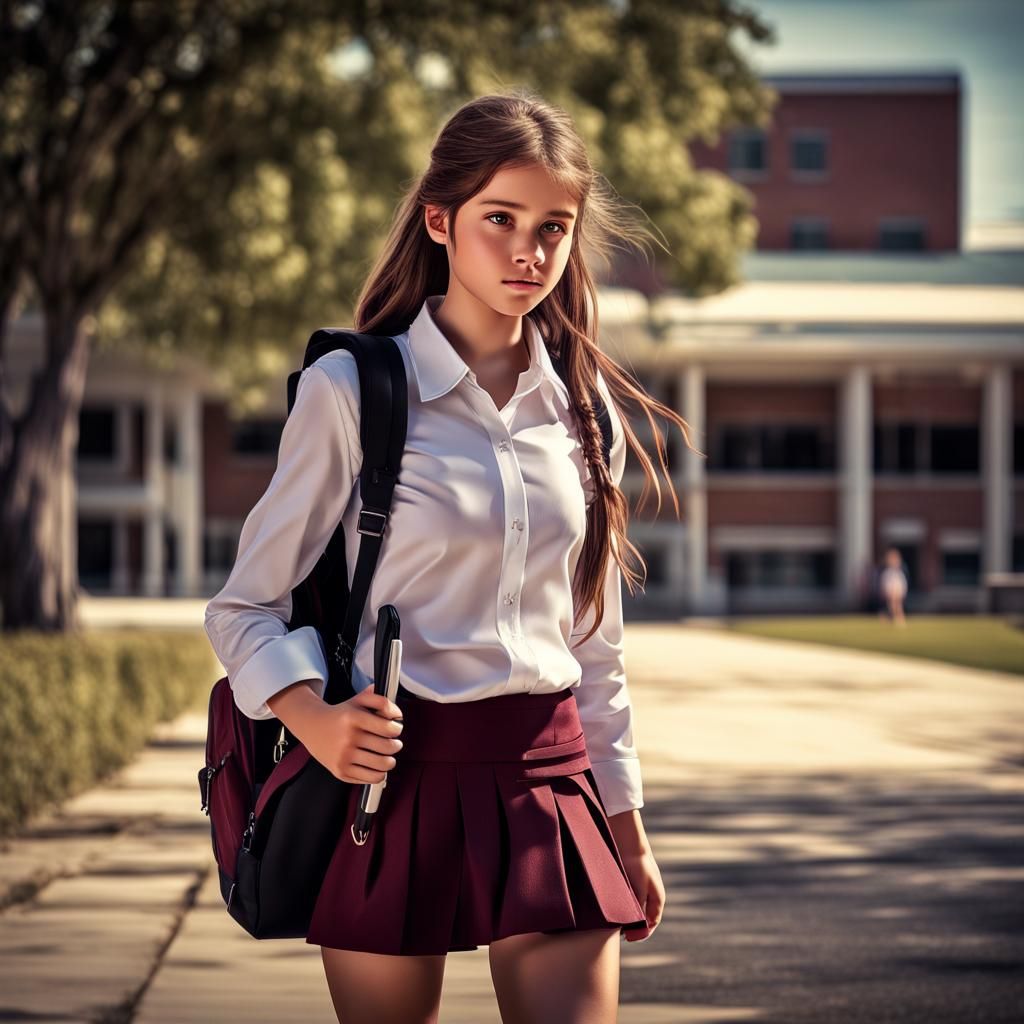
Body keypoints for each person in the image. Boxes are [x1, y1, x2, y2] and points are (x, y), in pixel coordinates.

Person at [204, 89, 700, 1024]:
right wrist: (313, 720)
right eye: (500, 220)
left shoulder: (583, 415)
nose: (529, 252)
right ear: (441, 220)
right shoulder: (351, 390)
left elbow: (595, 647)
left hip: (551, 785)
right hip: (388, 788)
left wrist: (627, 827)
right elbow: (242, 608)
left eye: (554, 227)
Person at [878, 547, 909, 627]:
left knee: (897, 605)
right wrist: (885, 590)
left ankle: (900, 619)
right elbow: (884, 582)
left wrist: (902, 591)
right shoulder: (888, 572)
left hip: (897, 590)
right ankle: (892, 618)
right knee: (891, 605)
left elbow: (902, 583)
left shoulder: (898, 572)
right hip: (890, 590)